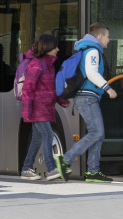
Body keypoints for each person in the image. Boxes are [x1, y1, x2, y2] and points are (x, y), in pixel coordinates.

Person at [55, 23, 117, 183]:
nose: (109, 41)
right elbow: (91, 72)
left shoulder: (88, 49)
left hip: (87, 98)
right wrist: (107, 88)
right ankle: (66, 160)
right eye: (108, 37)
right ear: (100, 36)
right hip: (86, 98)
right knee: (96, 132)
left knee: (98, 134)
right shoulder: (92, 50)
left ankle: (93, 171)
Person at [20, 34, 70, 181]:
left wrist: (61, 101)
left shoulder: (48, 65)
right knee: (47, 134)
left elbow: (51, 88)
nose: (58, 49)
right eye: (55, 47)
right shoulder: (37, 64)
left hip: (44, 107)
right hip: (37, 108)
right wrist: (27, 110)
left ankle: (25, 169)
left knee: (37, 139)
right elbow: (28, 88)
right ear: (48, 48)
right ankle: (51, 168)